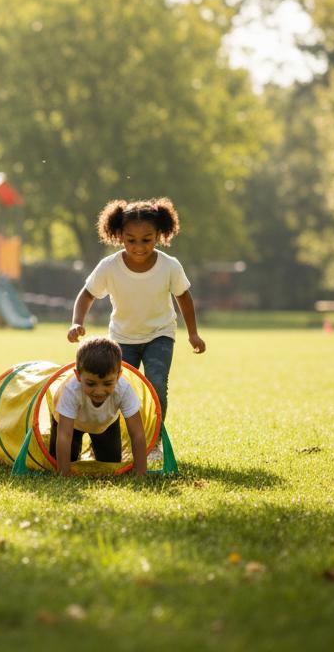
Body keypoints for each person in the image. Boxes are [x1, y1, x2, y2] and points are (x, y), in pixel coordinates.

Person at [67, 197, 206, 420]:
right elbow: (87, 294)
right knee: (118, 387)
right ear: (119, 235)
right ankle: (116, 436)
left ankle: (154, 439)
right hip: (122, 338)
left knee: (157, 383)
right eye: (131, 240)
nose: (139, 247)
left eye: (146, 240)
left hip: (160, 334)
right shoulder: (109, 266)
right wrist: (77, 322)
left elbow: (184, 297)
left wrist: (193, 333)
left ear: (159, 235)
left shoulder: (169, 265)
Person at [51, 337, 148, 477]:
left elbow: (137, 433)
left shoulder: (124, 388)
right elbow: (64, 435)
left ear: (119, 375)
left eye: (107, 384)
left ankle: (95, 447)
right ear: (78, 376)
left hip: (105, 424)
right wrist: (64, 473)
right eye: (91, 384)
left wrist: (141, 471)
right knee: (59, 461)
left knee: (110, 464)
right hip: (72, 425)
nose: (99, 391)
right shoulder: (71, 390)